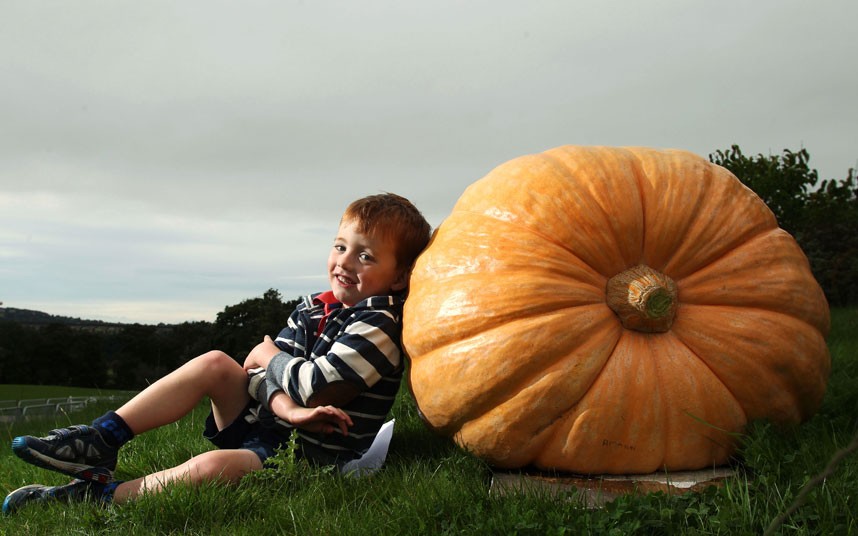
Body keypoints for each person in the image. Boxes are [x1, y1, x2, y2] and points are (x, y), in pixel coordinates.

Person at [3, 192, 432, 514]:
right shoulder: (313, 307)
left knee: (211, 466)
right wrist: (286, 402)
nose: (345, 262)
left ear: (399, 278)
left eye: (366, 256)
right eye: (340, 246)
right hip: (276, 425)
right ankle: (100, 440)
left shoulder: (378, 324)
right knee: (214, 363)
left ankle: (95, 498)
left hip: (308, 455)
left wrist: (272, 362)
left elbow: (319, 387)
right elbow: (253, 375)